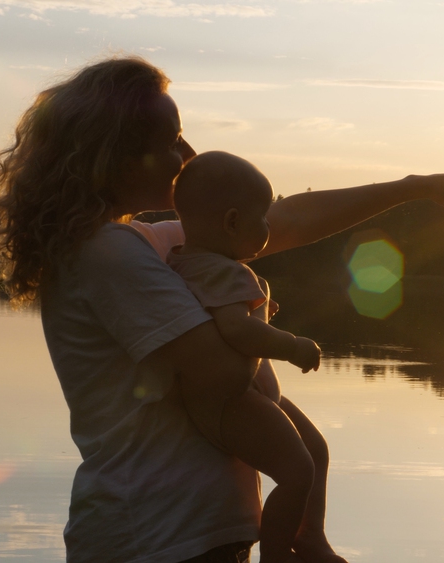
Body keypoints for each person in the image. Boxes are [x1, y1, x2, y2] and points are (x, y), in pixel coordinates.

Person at [0, 55, 444, 563]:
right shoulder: (106, 252)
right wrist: (257, 315)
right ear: (114, 153)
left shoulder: (146, 243)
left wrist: (416, 188)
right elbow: (222, 372)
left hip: (186, 533)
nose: (188, 154)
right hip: (155, 538)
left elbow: (285, 220)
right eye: (172, 140)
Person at [166, 150, 344, 563]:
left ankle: (310, 537)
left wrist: (258, 307)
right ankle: (277, 555)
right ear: (232, 222)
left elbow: (222, 314)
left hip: (246, 396)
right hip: (233, 403)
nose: (268, 226)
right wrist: (292, 345)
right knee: (298, 472)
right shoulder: (228, 272)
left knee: (315, 450)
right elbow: (238, 331)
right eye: (262, 217)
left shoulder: (186, 262)